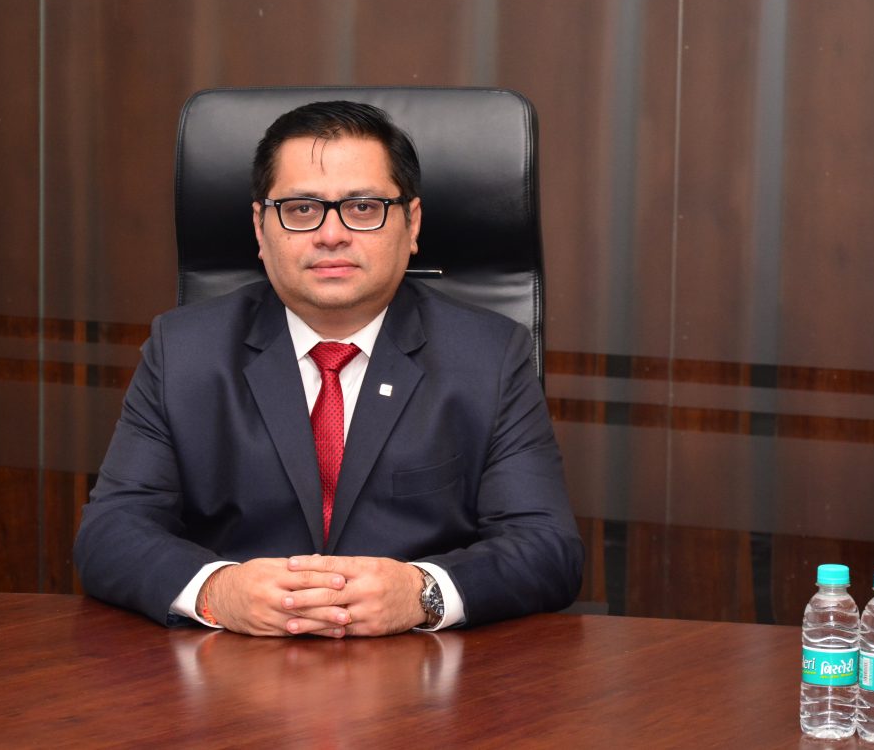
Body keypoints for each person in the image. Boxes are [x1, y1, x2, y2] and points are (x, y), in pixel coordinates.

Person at [74, 100, 583, 637]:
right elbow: (110, 532)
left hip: (420, 671)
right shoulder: (184, 350)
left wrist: (421, 593)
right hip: (233, 663)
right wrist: (217, 590)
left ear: (411, 223)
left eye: (363, 207)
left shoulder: (489, 356)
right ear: (260, 227)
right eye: (301, 209)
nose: (332, 234)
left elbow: (546, 546)